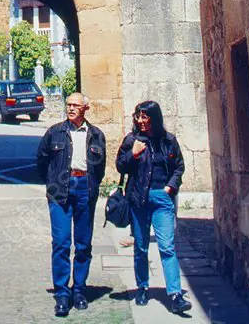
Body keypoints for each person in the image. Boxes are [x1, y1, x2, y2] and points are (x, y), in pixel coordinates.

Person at [115, 100, 192, 316]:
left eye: (145, 117)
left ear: (154, 118)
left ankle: (175, 294)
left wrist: (170, 187)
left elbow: (179, 166)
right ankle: (142, 287)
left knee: (167, 246)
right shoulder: (132, 140)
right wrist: (134, 154)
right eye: (138, 117)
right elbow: (120, 165)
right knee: (140, 247)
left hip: (161, 199)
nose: (140, 121)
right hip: (138, 198)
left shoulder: (168, 141)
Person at [36, 93, 106, 317]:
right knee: (61, 242)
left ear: (86, 108)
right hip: (60, 191)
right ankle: (62, 293)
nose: (71, 108)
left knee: (84, 244)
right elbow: (42, 160)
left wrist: (91, 185)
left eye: (76, 105)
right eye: (69, 105)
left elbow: (100, 167)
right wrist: (52, 183)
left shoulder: (96, 135)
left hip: (85, 187)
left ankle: (79, 290)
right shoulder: (55, 132)